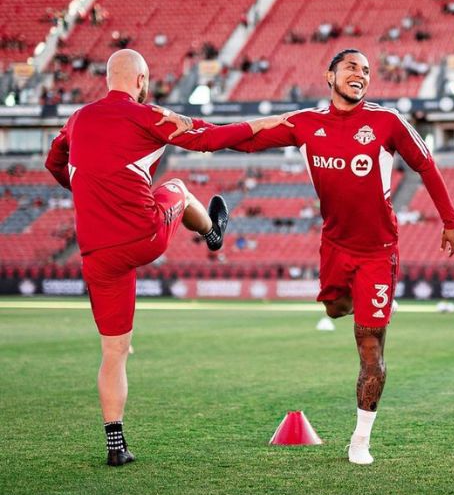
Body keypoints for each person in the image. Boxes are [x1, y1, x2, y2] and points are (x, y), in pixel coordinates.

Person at [43, 49, 288, 467]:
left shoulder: (78, 119)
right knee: (176, 184)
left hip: (97, 252)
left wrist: (87, 191)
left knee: (114, 353)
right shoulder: (146, 114)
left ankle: (115, 446)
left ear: (107, 79)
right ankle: (212, 232)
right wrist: (262, 125)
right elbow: (208, 139)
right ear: (140, 79)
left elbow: (54, 162)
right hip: (144, 235)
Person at [225, 49, 454, 465]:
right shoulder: (306, 123)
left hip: (377, 251)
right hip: (334, 244)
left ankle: (360, 440)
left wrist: (450, 219)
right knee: (335, 309)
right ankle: (370, 301)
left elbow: (425, 164)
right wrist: (194, 135)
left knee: (369, 345)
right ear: (329, 75)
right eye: (352, 67)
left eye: (367, 70)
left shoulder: (386, 122)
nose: (361, 74)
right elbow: (248, 139)